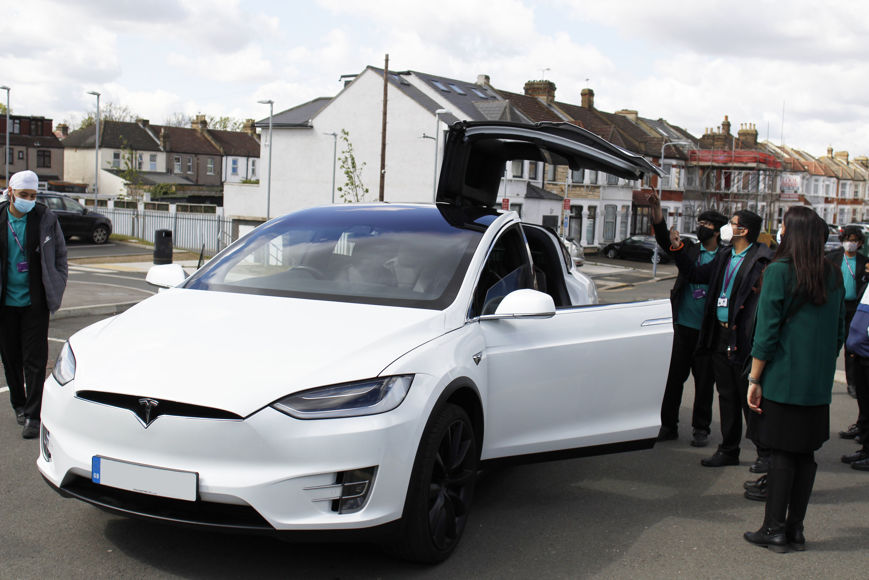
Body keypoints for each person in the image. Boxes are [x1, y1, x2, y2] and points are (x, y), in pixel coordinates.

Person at [743, 206, 844, 552]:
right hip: (817, 383)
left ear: (793, 233)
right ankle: (795, 530)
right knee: (806, 455)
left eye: (784, 226)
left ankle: (773, 529)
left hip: (783, 378)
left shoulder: (779, 271)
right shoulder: (833, 273)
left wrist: (754, 378)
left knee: (782, 455)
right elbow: (839, 331)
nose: (780, 231)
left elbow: (766, 333)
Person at [668, 209, 774, 469]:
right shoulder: (725, 256)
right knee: (726, 395)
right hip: (719, 333)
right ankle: (729, 450)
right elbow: (695, 274)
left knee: (748, 397)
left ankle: (765, 453)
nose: (727, 227)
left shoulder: (762, 260)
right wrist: (677, 248)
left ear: (743, 230)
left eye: (732, 223)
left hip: (743, 336)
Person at [648, 193, 727, 447]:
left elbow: (694, 274)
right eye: (700, 223)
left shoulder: (724, 258)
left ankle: (701, 428)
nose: (701, 227)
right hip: (682, 327)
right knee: (673, 380)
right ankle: (668, 425)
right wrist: (657, 213)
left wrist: (678, 248)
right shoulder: (692, 250)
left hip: (707, 331)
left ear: (717, 231)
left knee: (704, 383)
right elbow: (665, 241)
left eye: (706, 225)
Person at [0, 170, 68, 439]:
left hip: (35, 302)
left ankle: (33, 414)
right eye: (23, 194)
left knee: (35, 360)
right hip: (5, 303)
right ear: (11, 192)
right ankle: (19, 404)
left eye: (33, 195)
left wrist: (57, 284)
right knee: (10, 358)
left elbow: (60, 255)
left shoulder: (45, 218)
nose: (29, 200)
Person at [831, 226, 869, 441]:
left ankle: (853, 383)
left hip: (857, 308)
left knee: (852, 348)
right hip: (838, 305)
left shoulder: (864, 262)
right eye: (848, 239)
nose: (851, 243)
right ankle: (863, 427)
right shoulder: (833, 258)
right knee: (838, 343)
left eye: (855, 240)